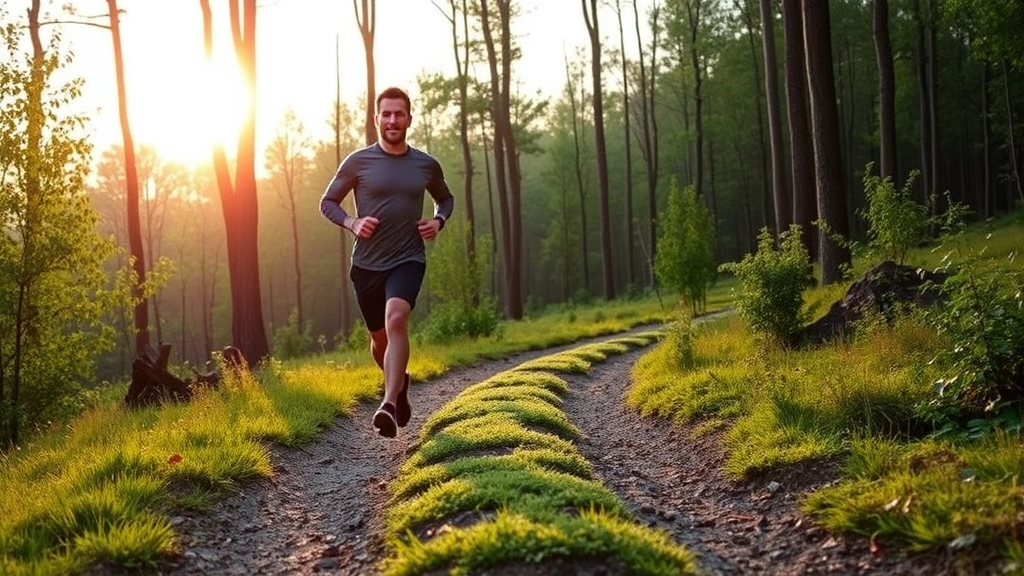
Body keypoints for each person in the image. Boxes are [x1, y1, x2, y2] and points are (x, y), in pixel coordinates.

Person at [319, 86, 455, 438]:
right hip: (366, 264)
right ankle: (400, 383)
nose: (393, 120)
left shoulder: (425, 164)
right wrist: (352, 222)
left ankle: (389, 404)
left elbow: (445, 199)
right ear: (377, 119)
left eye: (399, 114)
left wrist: (438, 221)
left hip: (408, 258)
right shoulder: (358, 162)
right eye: (387, 114)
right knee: (379, 340)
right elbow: (328, 202)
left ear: (410, 118)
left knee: (396, 319)